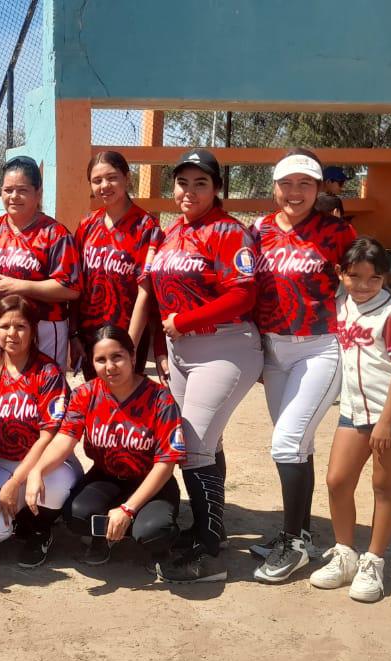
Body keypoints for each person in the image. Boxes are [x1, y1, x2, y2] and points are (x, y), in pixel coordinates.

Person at [138, 149, 261, 584]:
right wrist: (160, 347)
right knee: (207, 441)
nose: (189, 191)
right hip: (181, 352)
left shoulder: (228, 231)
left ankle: (208, 545)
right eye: (183, 183)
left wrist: (185, 322)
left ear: (217, 189)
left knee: (191, 443)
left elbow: (242, 294)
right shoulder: (171, 232)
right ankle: (214, 530)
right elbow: (155, 298)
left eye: (201, 183)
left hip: (226, 345)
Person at [247, 150, 357, 583]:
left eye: (305, 185)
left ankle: (293, 545)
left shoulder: (336, 231)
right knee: (298, 446)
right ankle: (302, 535)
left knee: (286, 443)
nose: (295, 193)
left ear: (317, 189)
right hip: (274, 351)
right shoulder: (258, 231)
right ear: (274, 186)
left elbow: (362, 279)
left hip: (319, 347)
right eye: (287, 184)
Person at [311, 237, 391, 603]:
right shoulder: (341, 304)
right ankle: (345, 554)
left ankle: (373, 561)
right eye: (354, 276)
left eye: (373, 279)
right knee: (337, 480)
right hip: (354, 411)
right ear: (341, 273)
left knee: (383, 487)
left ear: (384, 279)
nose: (362, 285)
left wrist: (386, 421)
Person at [29, 326, 186, 571]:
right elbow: (64, 439)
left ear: (133, 357)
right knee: (77, 516)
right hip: (106, 476)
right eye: (100, 360)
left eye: (117, 357)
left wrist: (128, 509)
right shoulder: (85, 394)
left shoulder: (160, 398)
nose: (110, 366)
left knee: (153, 532)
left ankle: (152, 543)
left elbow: (165, 464)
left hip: (152, 482)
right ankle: (104, 538)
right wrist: (37, 470)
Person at [0, 295, 76, 567]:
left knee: (56, 485)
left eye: (20, 327)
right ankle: (21, 517)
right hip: (2, 463)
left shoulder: (48, 372)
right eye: (5, 326)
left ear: (32, 330)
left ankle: (40, 529)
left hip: (49, 464)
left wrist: (16, 482)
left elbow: (48, 436)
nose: (12, 334)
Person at [0, 156, 81, 371]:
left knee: (45, 387)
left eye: (22, 190)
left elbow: (70, 288)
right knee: (5, 386)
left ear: (38, 192)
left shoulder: (55, 233)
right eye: (8, 190)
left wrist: (17, 286)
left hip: (45, 325)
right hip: (4, 325)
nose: (14, 196)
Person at [77, 150, 163, 379]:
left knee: (126, 407)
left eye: (112, 177)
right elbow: (77, 285)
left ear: (127, 178)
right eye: (97, 180)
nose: (104, 185)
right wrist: (74, 335)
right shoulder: (86, 225)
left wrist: (129, 348)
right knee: (97, 402)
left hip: (128, 335)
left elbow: (145, 293)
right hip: (91, 338)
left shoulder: (147, 227)